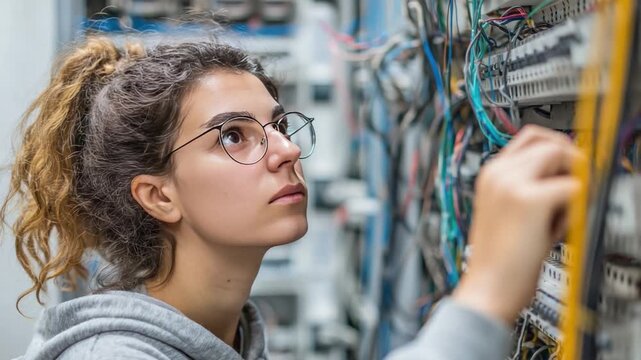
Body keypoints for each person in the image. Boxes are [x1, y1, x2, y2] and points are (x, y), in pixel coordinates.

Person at [0, 36, 582, 360]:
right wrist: (485, 299)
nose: (286, 151)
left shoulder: (229, 337)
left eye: (277, 126)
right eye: (234, 136)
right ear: (159, 196)